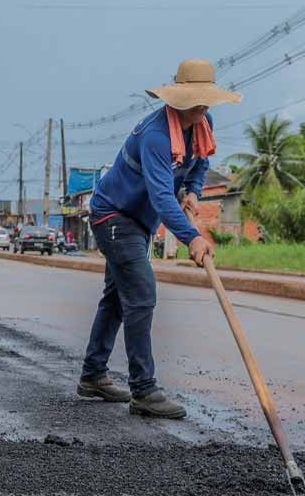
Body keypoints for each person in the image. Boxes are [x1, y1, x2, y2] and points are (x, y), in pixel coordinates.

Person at [78, 59, 240, 419]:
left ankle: (92, 375)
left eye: (206, 100)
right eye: (197, 100)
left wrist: (195, 192)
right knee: (141, 295)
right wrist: (191, 237)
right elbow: (162, 196)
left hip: (138, 222)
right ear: (179, 97)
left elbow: (198, 164)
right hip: (113, 215)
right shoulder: (155, 136)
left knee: (118, 299)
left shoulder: (202, 123)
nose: (203, 107)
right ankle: (144, 391)